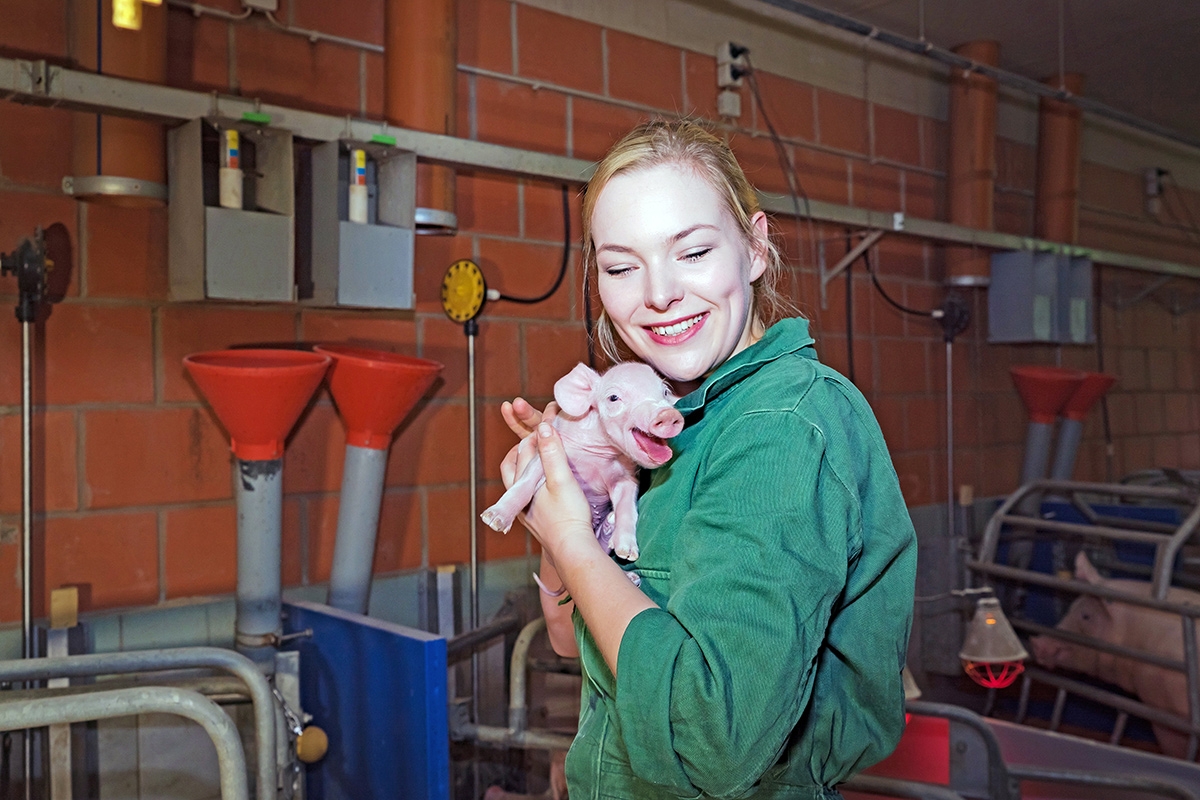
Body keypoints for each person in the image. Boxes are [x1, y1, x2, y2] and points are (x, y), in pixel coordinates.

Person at [498, 119, 917, 800]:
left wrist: (574, 543)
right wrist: (569, 496)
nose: (657, 294)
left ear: (754, 247)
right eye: (620, 266)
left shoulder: (778, 428)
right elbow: (575, 641)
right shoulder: (678, 421)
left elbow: (715, 744)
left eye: (691, 252)